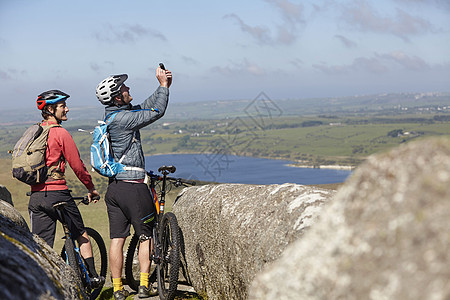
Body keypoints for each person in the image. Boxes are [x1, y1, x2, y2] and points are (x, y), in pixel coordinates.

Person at [95, 65, 172, 300]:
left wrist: (164, 87)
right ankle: (144, 285)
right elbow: (156, 111)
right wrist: (162, 87)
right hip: (134, 187)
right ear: (118, 96)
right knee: (145, 236)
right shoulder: (124, 120)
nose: (129, 89)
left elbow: (146, 105)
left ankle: (117, 288)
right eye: (124, 88)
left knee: (117, 239)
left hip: (115, 189)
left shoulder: (114, 117)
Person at [28, 90, 105, 287]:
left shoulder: (33, 132)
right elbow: (77, 165)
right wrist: (91, 188)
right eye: (63, 106)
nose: (67, 109)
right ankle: (93, 276)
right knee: (81, 234)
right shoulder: (60, 133)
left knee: (41, 246)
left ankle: (39, 285)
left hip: (36, 197)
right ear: (51, 109)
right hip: (58, 194)